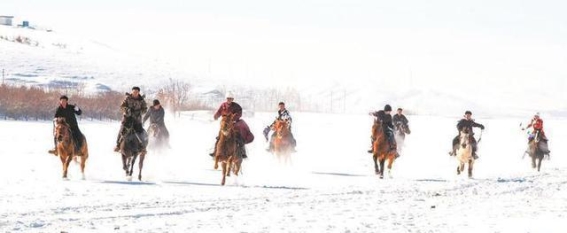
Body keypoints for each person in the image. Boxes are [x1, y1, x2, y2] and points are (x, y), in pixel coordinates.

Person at [210, 91, 254, 158]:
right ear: (226, 98)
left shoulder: (236, 106)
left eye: (230, 98)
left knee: (239, 137)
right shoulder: (223, 105)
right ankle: (215, 151)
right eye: (228, 98)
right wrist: (216, 115)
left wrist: (234, 118)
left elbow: (239, 113)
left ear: (232, 99)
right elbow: (219, 111)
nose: (229, 100)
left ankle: (242, 152)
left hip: (234, 124)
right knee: (219, 138)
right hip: (225, 124)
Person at [114, 86, 148, 155]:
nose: (135, 93)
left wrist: (139, 112)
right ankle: (118, 145)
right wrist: (127, 110)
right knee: (122, 130)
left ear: (138, 92)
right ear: (132, 92)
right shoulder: (127, 99)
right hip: (127, 119)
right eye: (134, 92)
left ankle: (143, 147)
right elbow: (122, 107)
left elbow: (145, 109)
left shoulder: (142, 100)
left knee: (141, 132)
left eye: (137, 92)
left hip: (137, 120)